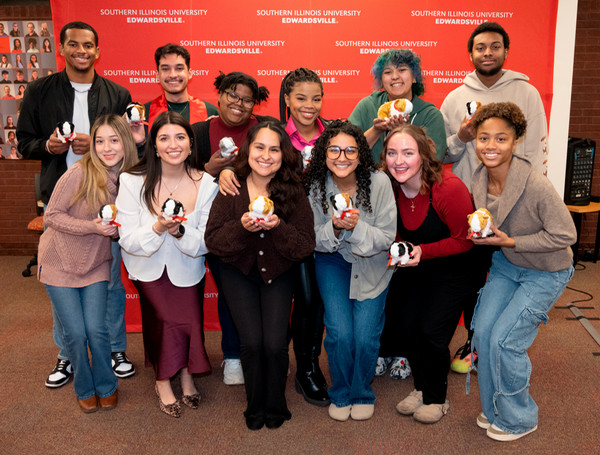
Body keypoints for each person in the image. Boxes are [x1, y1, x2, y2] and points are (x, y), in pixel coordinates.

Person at [17, 21, 134, 389]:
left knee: (111, 281)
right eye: (73, 44)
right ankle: (67, 353)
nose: (81, 50)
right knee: (61, 281)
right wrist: (50, 147)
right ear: (62, 49)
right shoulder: (39, 90)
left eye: (88, 45)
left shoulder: (117, 93)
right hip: (60, 197)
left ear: (98, 50)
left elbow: (130, 147)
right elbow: (24, 143)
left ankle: (114, 349)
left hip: (106, 201)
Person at [440, 21, 549, 374]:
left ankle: (502, 340)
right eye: (480, 47)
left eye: (495, 46)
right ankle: (475, 340)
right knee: (473, 277)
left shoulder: (527, 93)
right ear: (470, 53)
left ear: (505, 50)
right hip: (471, 207)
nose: (487, 53)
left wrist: (524, 200)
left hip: (514, 204)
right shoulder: (455, 99)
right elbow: (444, 154)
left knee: (509, 274)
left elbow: (534, 151)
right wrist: (462, 136)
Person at [219, 68, 330, 406]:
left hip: (321, 231)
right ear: (287, 100)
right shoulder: (274, 135)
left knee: (312, 303)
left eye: (316, 98)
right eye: (300, 98)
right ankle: (270, 374)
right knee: (274, 316)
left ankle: (307, 368)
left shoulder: (331, 135)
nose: (308, 106)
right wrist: (226, 169)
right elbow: (247, 163)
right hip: (277, 238)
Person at [468, 102, 576, 441]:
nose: (490, 146)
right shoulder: (478, 177)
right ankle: (495, 407)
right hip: (507, 266)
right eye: (484, 138)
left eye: (501, 138)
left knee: (505, 341)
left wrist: (511, 241)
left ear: (516, 141)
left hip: (547, 271)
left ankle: (519, 419)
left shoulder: (535, 184)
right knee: (483, 333)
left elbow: (566, 235)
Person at [205, 121, 315, 430]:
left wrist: (278, 226)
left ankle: (275, 404)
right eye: (259, 147)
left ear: (283, 154)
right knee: (252, 342)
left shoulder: (292, 189)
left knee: (275, 344)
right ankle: (254, 405)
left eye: (274, 149)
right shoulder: (232, 186)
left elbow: (306, 245)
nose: (266, 155)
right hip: (237, 271)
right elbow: (213, 240)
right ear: (247, 150)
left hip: (278, 271)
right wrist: (242, 226)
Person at [117, 111, 218, 418]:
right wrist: (159, 229)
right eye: (164, 138)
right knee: (161, 321)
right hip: (146, 268)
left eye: (180, 137)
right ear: (155, 146)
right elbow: (127, 238)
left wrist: (179, 231)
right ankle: (163, 380)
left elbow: (205, 242)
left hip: (188, 267)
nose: (172, 145)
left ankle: (187, 374)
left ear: (190, 144)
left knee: (188, 322)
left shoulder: (208, 184)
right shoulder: (132, 181)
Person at [37, 114, 138, 413]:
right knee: (76, 334)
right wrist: (91, 227)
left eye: (114, 140)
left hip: (95, 263)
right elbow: (51, 216)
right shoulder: (79, 173)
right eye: (100, 141)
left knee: (96, 330)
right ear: (92, 145)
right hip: (58, 262)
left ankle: (106, 386)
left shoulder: (131, 180)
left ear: (126, 142)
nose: (107, 148)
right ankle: (84, 387)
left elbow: (127, 224)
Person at [379, 124, 476, 424]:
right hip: (414, 268)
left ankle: (437, 398)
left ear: (423, 155)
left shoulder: (448, 188)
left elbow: (466, 239)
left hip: (455, 269)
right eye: (392, 153)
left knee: (431, 333)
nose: (399, 160)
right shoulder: (389, 187)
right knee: (408, 328)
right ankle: (421, 388)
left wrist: (423, 251)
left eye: (408, 153)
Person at [305, 120, 396, 422]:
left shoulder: (379, 182)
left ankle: (361, 393)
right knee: (341, 333)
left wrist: (356, 228)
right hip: (332, 262)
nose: (342, 156)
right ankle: (342, 392)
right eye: (334, 149)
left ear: (360, 154)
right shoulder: (316, 186)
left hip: (372, 264)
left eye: (350, 150)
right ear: (324, 153)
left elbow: (386, 238)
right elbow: (312, 239)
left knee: (366, 336)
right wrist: (333, 226)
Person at [192, 70, 272, 386]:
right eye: (232, 95)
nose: (238, 103)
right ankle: (234, 356)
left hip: (265, 226)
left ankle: (268, 352)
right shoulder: (199, 132)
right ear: (220, 95)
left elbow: (278, 167)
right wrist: (213, 170)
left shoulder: (267, 130)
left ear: (255, 104)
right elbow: (187, 176)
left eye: (247, 99)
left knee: (269, 292)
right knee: (229, 295)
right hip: (219, 229)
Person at [349, 48, 446, 163]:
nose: (395, 76)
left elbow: (434, 161)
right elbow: (347, 151)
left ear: (414, 77)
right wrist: (376, 130)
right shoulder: (367, 106)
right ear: (381, 80)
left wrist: (406, 132)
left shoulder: (430, 114)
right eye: (388, 72)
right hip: (370, 179)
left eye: (402, 70)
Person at [137, 43, 217, 151]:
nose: (173, 74)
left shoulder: (210, 112)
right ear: (157, 75)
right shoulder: (142, 114)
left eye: (179, 68)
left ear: (189, 73)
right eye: (165, 69)